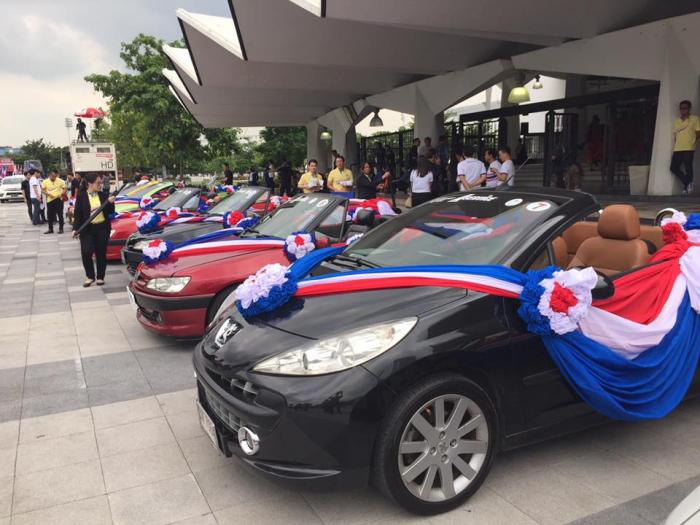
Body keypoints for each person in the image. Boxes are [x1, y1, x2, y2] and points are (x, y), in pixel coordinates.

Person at [73, 173, 115, 287]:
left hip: (102, 228)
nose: (100, 185)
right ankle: (90, 276)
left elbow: (111, 211)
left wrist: (111, 203)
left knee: (101, 253)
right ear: (90, 183)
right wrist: (75, 229)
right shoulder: (81, 196)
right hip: (87, 229)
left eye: (100, 183)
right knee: (86, 252)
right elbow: (78, 214)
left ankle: (100, 277)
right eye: (98, 183)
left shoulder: (103, 195)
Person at [671, 100, 700, 194]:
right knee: (673, 167)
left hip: (689, 147)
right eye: (681, 108)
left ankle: (686, 188)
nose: (683, 110)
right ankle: (688, 182)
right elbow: (676, 134)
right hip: (678, 147)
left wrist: (692, 141)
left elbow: (698, 132)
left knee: (688, 167)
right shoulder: (677, 121)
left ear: (689, 109)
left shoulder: (695, 119)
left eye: (685, 108)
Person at [42, 170, 66, 234]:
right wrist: (48, 194)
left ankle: (61, 229)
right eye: (52, 176)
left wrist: (61, 194)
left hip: (58, 199)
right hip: (50, 200)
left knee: (60, 214)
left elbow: (65, 188)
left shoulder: (60, 181)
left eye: (55, 176)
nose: (54, 178)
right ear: (49, 175)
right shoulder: (45, 181)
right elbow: (43, 190)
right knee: (49, 215)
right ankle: (50, 229)